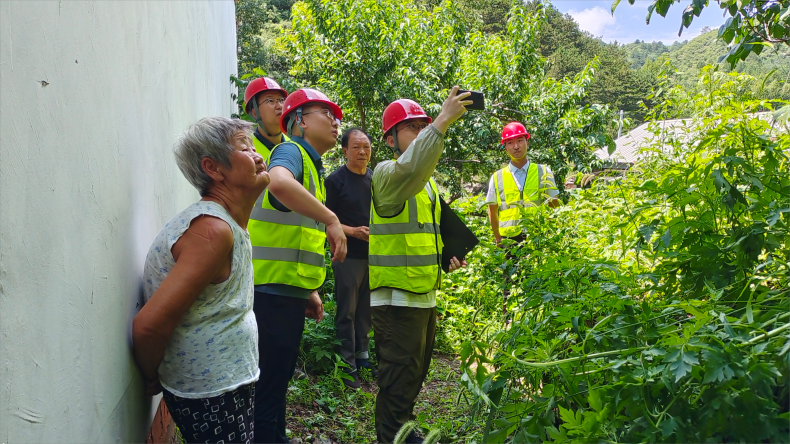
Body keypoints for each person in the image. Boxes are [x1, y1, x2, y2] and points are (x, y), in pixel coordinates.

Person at [132, 117, 269, 444]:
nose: (258, 155)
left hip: (227, 382)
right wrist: (151, 375)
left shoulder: (227, 225)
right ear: (213, 168)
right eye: (244, 148)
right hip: (211, 393)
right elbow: (148, 326)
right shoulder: (212, 231)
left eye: (253, 146)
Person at [370, 87, 471, 444]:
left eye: (421, 125)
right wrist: (442, 120)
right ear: (391, 138)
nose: (418, 131)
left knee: (412, 378)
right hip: (396, 300)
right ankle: (392, 436)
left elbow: (423, 234)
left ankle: (403, 430)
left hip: (422, 297)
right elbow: (412, 163)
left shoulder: (427, 186)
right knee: (397, 380)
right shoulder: (386, 175)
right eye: (410, 126)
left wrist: (447, 255)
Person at [251, 87, 347, 444]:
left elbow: (294, 235)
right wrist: (332, 218)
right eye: (327, 114)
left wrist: (308, 289)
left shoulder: (312, 166)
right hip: (270, 294)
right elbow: (277, 182)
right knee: (267, 392)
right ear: (300, 121)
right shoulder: (290, 151)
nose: (336, 122)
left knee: (275, 388)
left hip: (285, 292)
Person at [485, 121, 559, 314]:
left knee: (538, 277)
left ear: (527, 141)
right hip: (509, 238)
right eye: (510, 142)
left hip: (537, 236)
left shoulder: (543, 171)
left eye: (519, 140)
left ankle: (538, 316)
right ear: (505, 146)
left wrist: (551, 230)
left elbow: (554, 203)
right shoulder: (497, 176)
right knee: (509, 280)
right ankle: (509, 319)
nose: (516, 146)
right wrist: (497, 238)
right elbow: (492, 209)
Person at [325, 127, 374, 389]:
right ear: (344, 151)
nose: (362, 152)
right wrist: (352, 232)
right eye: (356, 147)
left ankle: (363, 358)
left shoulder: (374, 179)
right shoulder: (335, 181)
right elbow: (324, 221)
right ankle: (347, 366)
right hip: (346, 256)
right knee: (347, 311)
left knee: (366, 310)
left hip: (372, 256)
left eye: (366, 146)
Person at [243, 77, 289, 159]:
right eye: (270, 101)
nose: (280, 106)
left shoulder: (294, 144)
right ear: (255, 113)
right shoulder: (246, 150)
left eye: (281, 100)